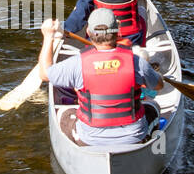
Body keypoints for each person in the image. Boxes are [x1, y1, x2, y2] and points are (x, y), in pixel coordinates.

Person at [38, 9, 166, 151]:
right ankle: (150, 147)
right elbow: (159, 86)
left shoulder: (77, 63)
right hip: (134, 138)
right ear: (117, 31)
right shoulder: (136, 62)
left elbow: (44, 73)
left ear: (89, 32)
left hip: (89, 140)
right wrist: (154, 74)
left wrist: (48, 37)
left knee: (63, 113)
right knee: (153, 105)